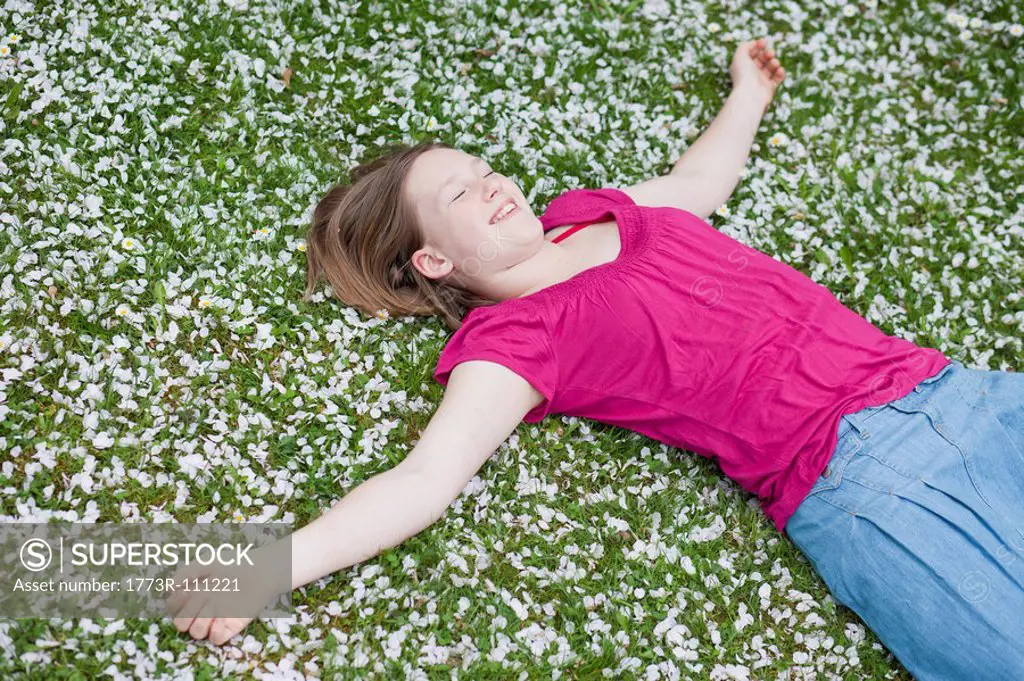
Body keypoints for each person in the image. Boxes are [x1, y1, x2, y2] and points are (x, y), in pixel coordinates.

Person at [168, 37, 1024, 680]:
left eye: (480, 167)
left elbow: (703, 185)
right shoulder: (514, 342)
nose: (490, 181)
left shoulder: (602, 213)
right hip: (862, 486)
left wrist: (747, 94)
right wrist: (270, 566)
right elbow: (425, 480)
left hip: (962, 394)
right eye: (457, 194)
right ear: (435, 261)